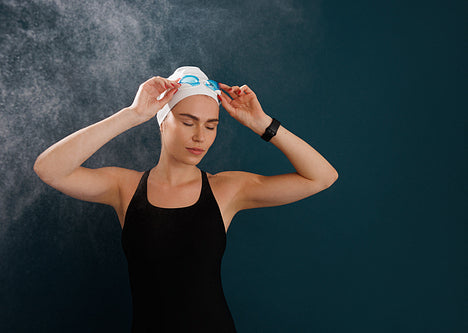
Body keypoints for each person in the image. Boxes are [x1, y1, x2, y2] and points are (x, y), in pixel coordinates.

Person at [33, 66, 338, 332]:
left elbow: (322, 177)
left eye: (211, 126)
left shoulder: (227, 190)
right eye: (188, 122)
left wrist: (262, 124)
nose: (200, 137)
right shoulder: (124, 188)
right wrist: (133, 114)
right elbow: (49, 169)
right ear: (163, 121)